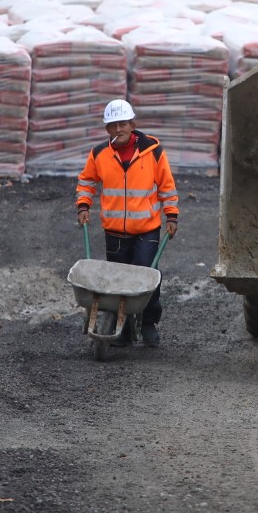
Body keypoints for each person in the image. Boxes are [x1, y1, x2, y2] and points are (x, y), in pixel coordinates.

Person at [76, 99, 180, 346]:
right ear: (107, 130)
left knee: (146, 275)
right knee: (117, 282)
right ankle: (121, 328)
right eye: (113, 125)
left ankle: (148, 323)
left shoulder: (152, 151)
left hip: (147, 228)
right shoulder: (99, 154)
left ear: (133, 124)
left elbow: (166, 186)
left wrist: (172, 215)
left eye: (123, 124)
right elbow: (87, 181)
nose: (118, 129)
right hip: (115, 231)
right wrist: (83, 205)